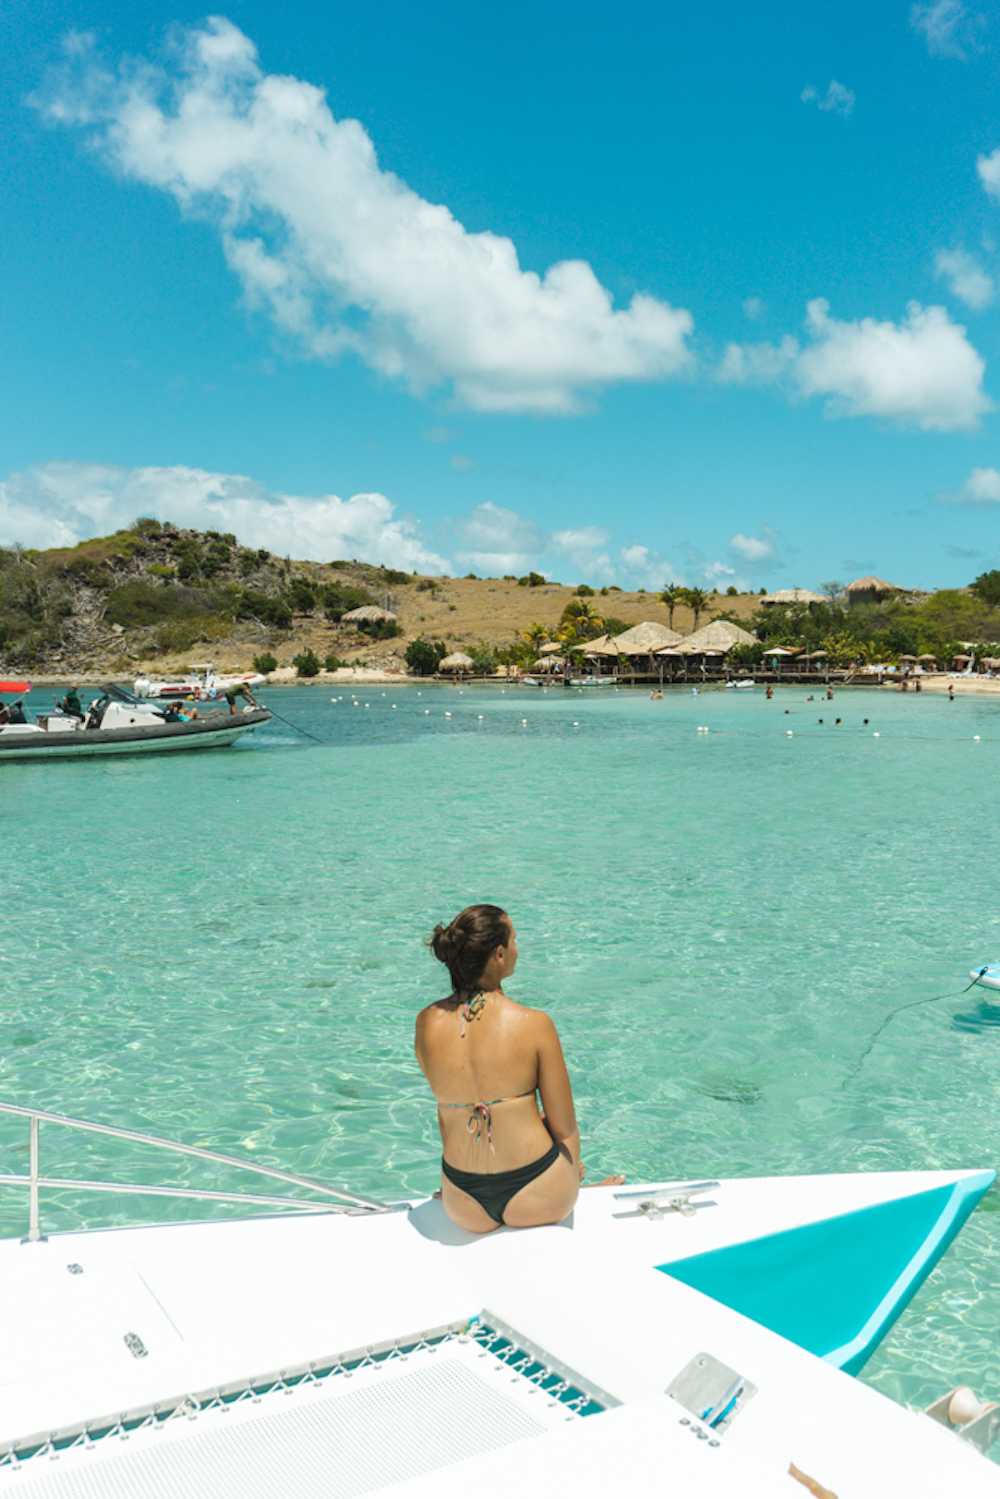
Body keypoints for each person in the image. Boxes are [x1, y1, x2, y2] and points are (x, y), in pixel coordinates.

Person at [416, 905, 617, 1234]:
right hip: (539, 1195)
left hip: (462, 1201)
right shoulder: (534, 1023)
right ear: (498, 954)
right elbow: (565, 1128)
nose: (517, 950)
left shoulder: (424, 1023)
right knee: (560, 1145)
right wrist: (567, 1176)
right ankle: (579, 1184)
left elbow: (447, 1118)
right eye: (514, 941)